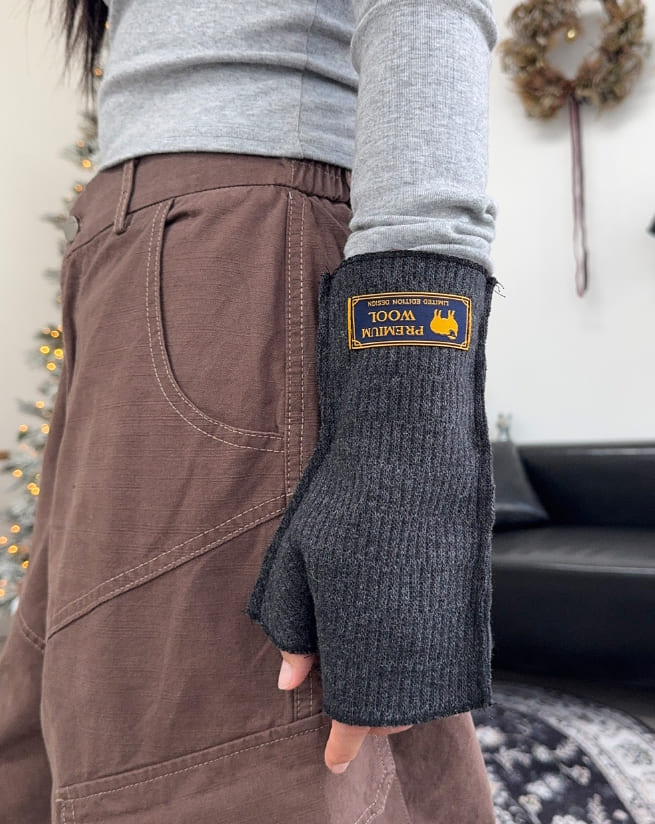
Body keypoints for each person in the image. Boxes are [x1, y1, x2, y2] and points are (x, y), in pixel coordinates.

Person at [0, 1, 499, 821]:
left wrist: (403, 437)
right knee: (72, 713)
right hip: (138, 256)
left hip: (233, 252)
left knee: (204, 763)